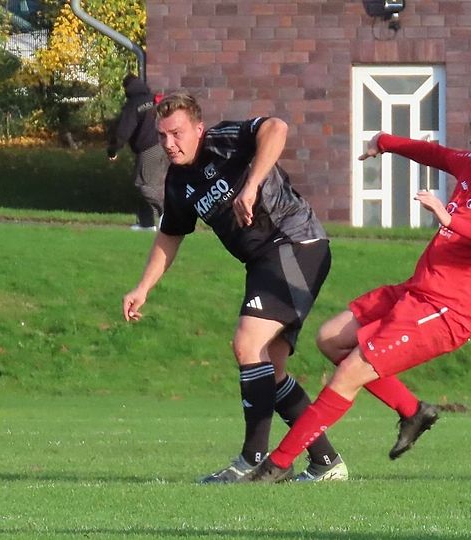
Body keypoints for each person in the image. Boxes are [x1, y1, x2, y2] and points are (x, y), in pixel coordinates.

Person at [243, 110, 471, 483]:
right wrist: (384, 142)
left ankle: (276, 466)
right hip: (416, 292)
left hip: (444, 311)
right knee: (331, 339)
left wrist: (450, 221)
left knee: (349, 373)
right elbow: (435, 154)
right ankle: (412, 411)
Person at [122, 91, 348, 483]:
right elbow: (170, 235)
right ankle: (326, 462)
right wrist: (142, 288)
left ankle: (253, 460)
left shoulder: (223, 140)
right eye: (161, 136)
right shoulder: (177, 181)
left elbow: (277, 128)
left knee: (247, 344)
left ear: (197, 128)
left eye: (176, 133)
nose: (168, 144)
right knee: (269, 369)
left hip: (296, 244)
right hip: (265, 260)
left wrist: (251, 184)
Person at [107, 75, 169, 231]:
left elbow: (123, 131)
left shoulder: (133, 104)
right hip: (165, 146)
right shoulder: (155, 99)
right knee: (156, 183)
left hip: (148, 149)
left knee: (143, 184)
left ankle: (167, 214)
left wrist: (113, 150)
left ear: (127, 88)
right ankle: (146, 223)